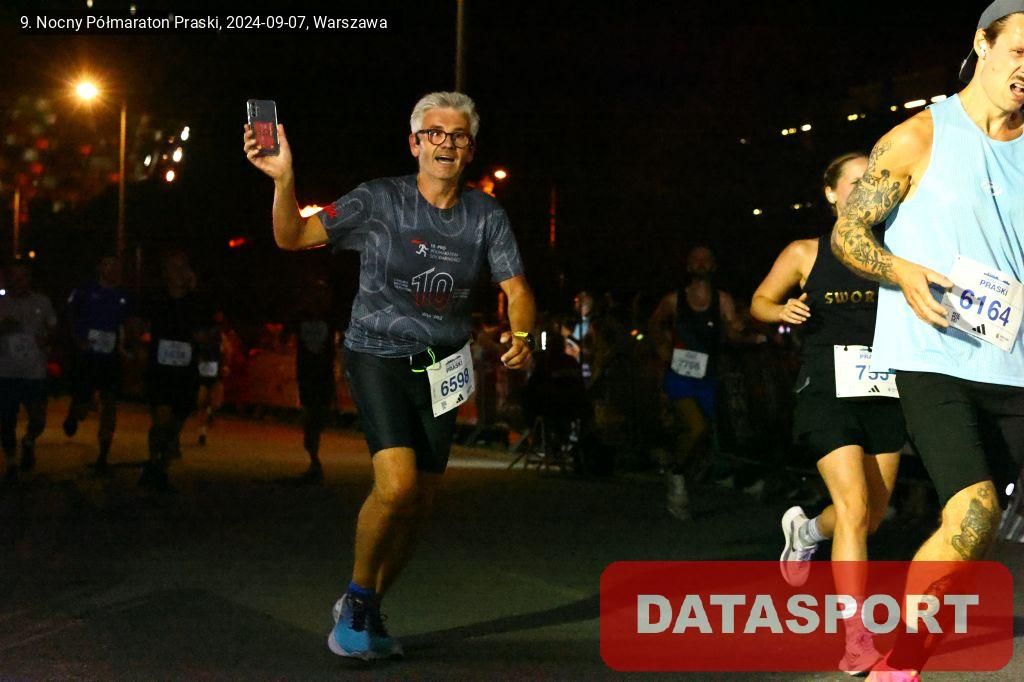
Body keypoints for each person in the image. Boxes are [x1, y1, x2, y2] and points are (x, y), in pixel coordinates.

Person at [243, 91, 535, 661]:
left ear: (470, 149)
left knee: (420, 505)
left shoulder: (486, 216)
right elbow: (291, 237)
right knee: (396, 485)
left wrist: (521, 336)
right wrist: (284, 180)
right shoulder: (379, 200)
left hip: (443, 367)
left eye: (458, 136)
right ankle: (356, 601)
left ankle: (367, 604)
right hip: (377, 353)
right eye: (434, 133)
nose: (446, 144)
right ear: (414, 143)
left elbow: (517, 289)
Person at [829, 4, 1024, 678]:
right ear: (982, 45)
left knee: (981, 529)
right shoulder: (918, 136)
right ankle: (903, 659)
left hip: (1014, 360)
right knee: (974, 511)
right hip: (936, 356)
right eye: (1019, 51)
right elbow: (849, 235)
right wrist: (900, 270)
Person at [751, 153, 904, 674]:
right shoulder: (805, 252)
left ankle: (808, 532)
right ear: (831, 193)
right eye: (856, 182)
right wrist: (780, 309)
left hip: (884, 389)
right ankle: (856, 638)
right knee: (855, 507)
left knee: (870, 517)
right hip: (827, 388)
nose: (866, 190)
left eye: (874, 182)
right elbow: (759, 301)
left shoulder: (895, 251)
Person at [649, 246, 743, 520]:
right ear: (689, 266)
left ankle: (675, 463)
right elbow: (653, 323)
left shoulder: (722, 299)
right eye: (695, 260)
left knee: (700, 434)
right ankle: (676, 476)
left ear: (713, 266)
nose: (701, 264)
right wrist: (662, 346)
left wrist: (738, 330)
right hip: (680, 375)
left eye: (706, 260)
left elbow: (733, 333)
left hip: (707, 376)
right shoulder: (674, 300)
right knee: (697, 426)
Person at [138, 251, 216, 491]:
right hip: (160, 371)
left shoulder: (197, 302)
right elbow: (138, 326)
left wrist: (204, 338)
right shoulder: (156, 299)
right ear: (165, 273)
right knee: (161, 421)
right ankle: (155, 466)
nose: (179, 272)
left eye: (183, 267)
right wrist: (139, 344)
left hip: (185, 374)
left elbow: (211, 332)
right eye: (173, 267)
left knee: (174, 425)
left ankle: (159, 465)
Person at [62, 254, 132, 473]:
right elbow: (70, 315)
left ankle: (103, 454)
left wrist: (126, 347)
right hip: (87, 355)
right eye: (108, 265)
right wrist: (77, 340)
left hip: (110, 356)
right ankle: (75, 412)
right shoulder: (85, 290)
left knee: (109, 404)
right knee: (83, 401)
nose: (112, 270)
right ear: (99, 267)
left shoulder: (124, 295)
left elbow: (128, 323)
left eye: (116, 266)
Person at [0, 261, 56, 482]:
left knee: (38, 418)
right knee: (6, 420)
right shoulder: (1, 302)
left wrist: (47, 339)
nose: (18, 281)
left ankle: (29, 440)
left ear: (29, 278)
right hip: (6, 371)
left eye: (23, 276)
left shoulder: (42, 302)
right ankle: (11, 462)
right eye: (14, 276)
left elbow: (53, 328)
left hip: (34, 370)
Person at [291, 278, 337, 484]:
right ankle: (313, 459)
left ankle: (314, 460)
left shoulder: (330, 318)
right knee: (311, 417)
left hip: (321, 375)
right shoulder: (302, 317)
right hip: (309, 375)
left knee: (317, 418)